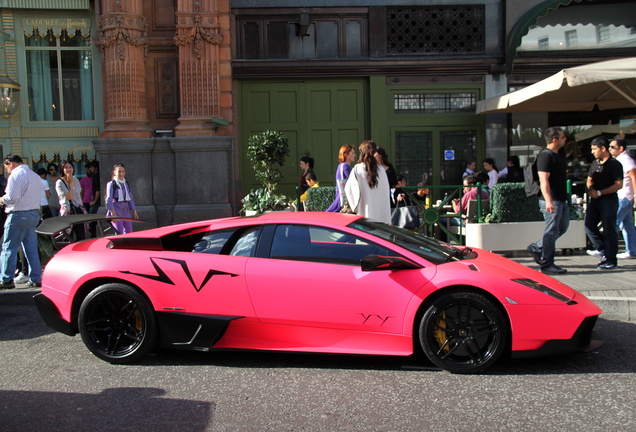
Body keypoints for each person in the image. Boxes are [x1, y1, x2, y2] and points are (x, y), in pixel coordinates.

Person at [527, 127, 570, 274]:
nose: (566, 139)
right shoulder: (546, 156)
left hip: (561, 199)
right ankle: (547, 264)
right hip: (552, 199)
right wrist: (549, 200)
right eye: (563, 137)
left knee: (561, 228)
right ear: (555, 140)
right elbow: (543, 179)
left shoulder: (557, 155)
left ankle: (537, 247)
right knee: (551, 231)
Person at [0, 154, 43, 289]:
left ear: (10, 163)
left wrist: (2, 200)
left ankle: (6, 279)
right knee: (31, 249)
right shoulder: (34, 175)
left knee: (9, 248)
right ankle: (36, 277)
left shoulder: (16, 175)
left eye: (5, 166)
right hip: (33, 214)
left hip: (18, 215)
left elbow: (11, 198)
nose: (6, 170)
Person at [585, 136, 623, 270]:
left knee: (609, 230)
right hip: (595, 201)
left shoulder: (615, 164)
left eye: (594, 149)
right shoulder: (595, 163)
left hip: (608, 201)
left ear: (603, 148)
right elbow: (589, 179)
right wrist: (591, 189)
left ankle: (611, 259)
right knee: (589, 226)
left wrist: (600, 192)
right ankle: (604, 250)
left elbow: (619, 185)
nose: (593, 152)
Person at [345, 140, 391, 224]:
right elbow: (385, 192)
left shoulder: (357, 169)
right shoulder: (381, 170)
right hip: (381, 218)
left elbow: (349, 190)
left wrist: (356, 208)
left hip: (364, 214)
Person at [609, 139, 636, 259]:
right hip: (622, 195)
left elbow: (634, 178)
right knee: (627, 224)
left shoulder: (626, 161)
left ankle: (608, 251)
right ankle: (632, 250)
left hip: (625, 196)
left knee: (614, 222)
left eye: (612, 147)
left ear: (621, 148)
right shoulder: (618, 160)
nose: (610, 149)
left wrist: (635, 196)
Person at [56, 160, 86, 242]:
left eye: (70, 167)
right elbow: (70, 196)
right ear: (62, 169)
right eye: (66, 167)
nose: (69, 169)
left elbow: (78, 195)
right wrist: (70, 183)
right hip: (67, 211)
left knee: (81, 235)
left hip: (77, 209)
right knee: (68, 237)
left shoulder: (75, 179)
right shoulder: (59, 183)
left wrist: (82, 208)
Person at [106, 163, 138, 234]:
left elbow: (130, 198)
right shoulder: (111, 184)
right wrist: (113, 214)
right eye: (119, 171)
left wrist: (134, 211)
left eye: (123, 171)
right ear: (114, 172)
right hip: (116, 209)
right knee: (119, 232)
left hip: (126, 209)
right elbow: (109, 200)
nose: (121, 173)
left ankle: (128, 245)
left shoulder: (126, 183)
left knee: (129, 232)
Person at [326, 145, 355, 213]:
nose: (355, 155)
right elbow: (353, 182)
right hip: (342, 199)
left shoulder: (340, 166)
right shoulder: (345, 166)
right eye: (352, 153)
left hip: (340, 198)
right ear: (346, 154)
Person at [88, 160, 101, 238]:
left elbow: (98, 190)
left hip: (97, 203)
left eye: (91, 167)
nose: (90, 169)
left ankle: (93, 236)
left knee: (91, 220)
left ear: (95, 168)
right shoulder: (96, 176)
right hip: (97, 201)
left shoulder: (97, 176)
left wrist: (94, 201)